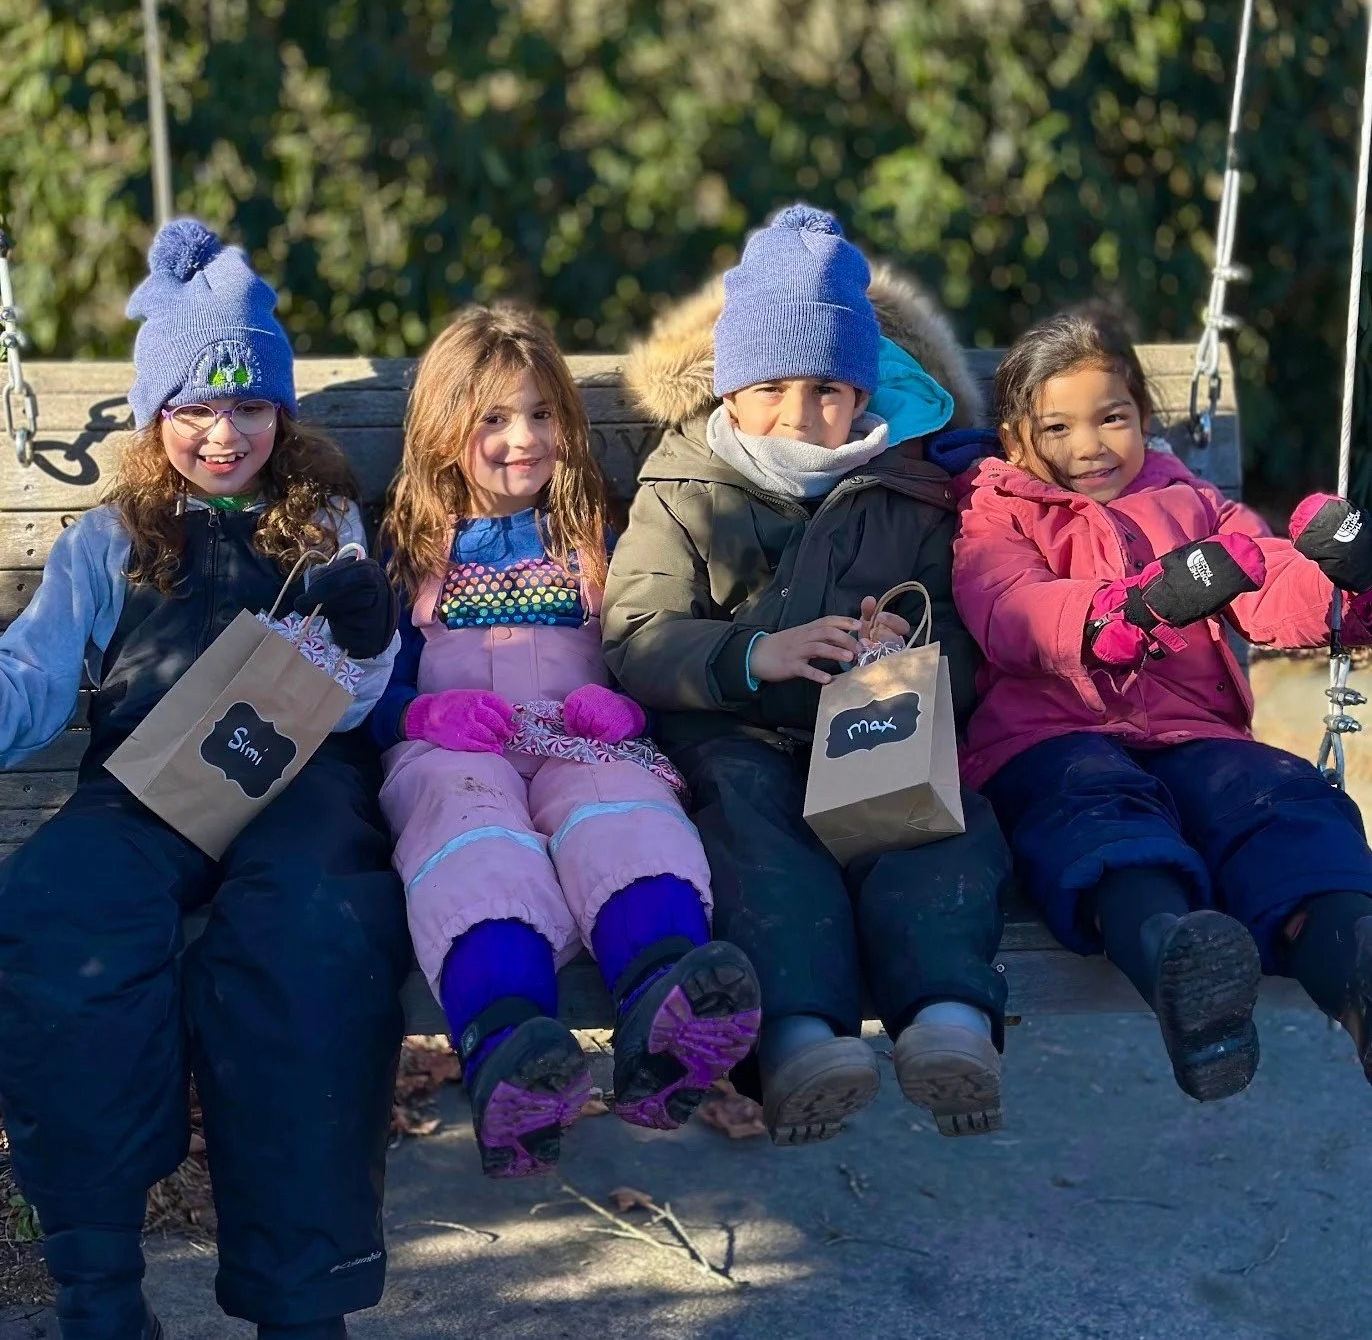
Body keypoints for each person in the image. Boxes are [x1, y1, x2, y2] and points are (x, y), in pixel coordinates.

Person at [0, 219, 411, 1340]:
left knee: (311, 936)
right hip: (144, 782)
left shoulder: (323, 523)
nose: (224, 433)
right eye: (195, 407)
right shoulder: (110, 537)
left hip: (297, 784)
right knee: (58, 910)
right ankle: (97, 1283)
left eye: (250, 406)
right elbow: (35, 674)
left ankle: (299, 1301)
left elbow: (359, 694)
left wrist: (365, 631)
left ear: (283, 412)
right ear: (156, 414)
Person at [601, 205, 1013, 1145]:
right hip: (737, 729)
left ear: (863, 390)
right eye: (772, 386)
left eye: (829, 387)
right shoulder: (685, 484)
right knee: (755, 841)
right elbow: (634, 631)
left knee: (940, 828)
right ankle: (798, 1040)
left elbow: (960, 625)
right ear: (730, 387)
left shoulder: (910, 484)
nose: (801, 414)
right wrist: (752, 653)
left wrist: (903, 657)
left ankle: (946, 1020)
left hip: (875, 728)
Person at [370, 304, 760, 1180]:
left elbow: (647, 638)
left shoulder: (597, 535)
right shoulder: (401, 549)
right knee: (472, 837)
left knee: (623, 811)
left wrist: (629, 703)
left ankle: (666, 1004)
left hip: (579, 735)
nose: (524, 439)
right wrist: (412, 715)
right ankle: (512, 1047)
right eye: (495, 419)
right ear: (443, 431)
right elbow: (358, 680)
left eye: (542, 414)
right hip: (455, 748)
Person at [953, 304, 1372, 1102]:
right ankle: (1181, 967)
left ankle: (1356, 971)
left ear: (1143, 416)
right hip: (1050, 737)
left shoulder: (1188, 498)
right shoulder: (994, 509)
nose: (1088, 447)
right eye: (1058, 428)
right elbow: (1011, 612)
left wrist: (1338, 583)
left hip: (1190, 732)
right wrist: (1127, 611)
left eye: (1111, 418)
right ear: (1016, 439)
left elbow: (1265, 578)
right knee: (1100, 812)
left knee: (1282, 799)